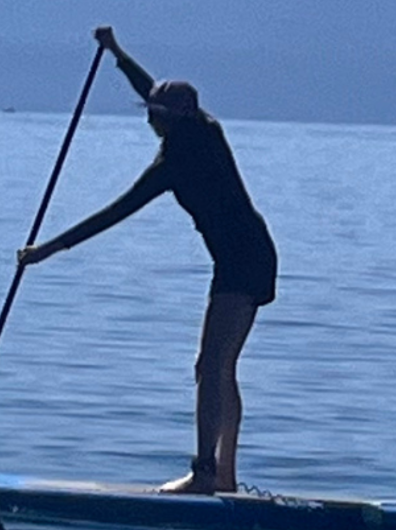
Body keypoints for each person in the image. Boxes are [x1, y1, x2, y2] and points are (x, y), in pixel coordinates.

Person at [19, 27, 276, 495]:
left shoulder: (174, 163)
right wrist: (117, 54)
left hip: (242, 261)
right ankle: (226, 475)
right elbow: (152, 88)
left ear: (172, 122)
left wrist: (48, 250)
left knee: (209, 365)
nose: (149, 122)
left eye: (156, 117)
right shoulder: (206, 129)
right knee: (221, 368)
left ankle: (204, 473)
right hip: (253, 253)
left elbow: (114, 212)